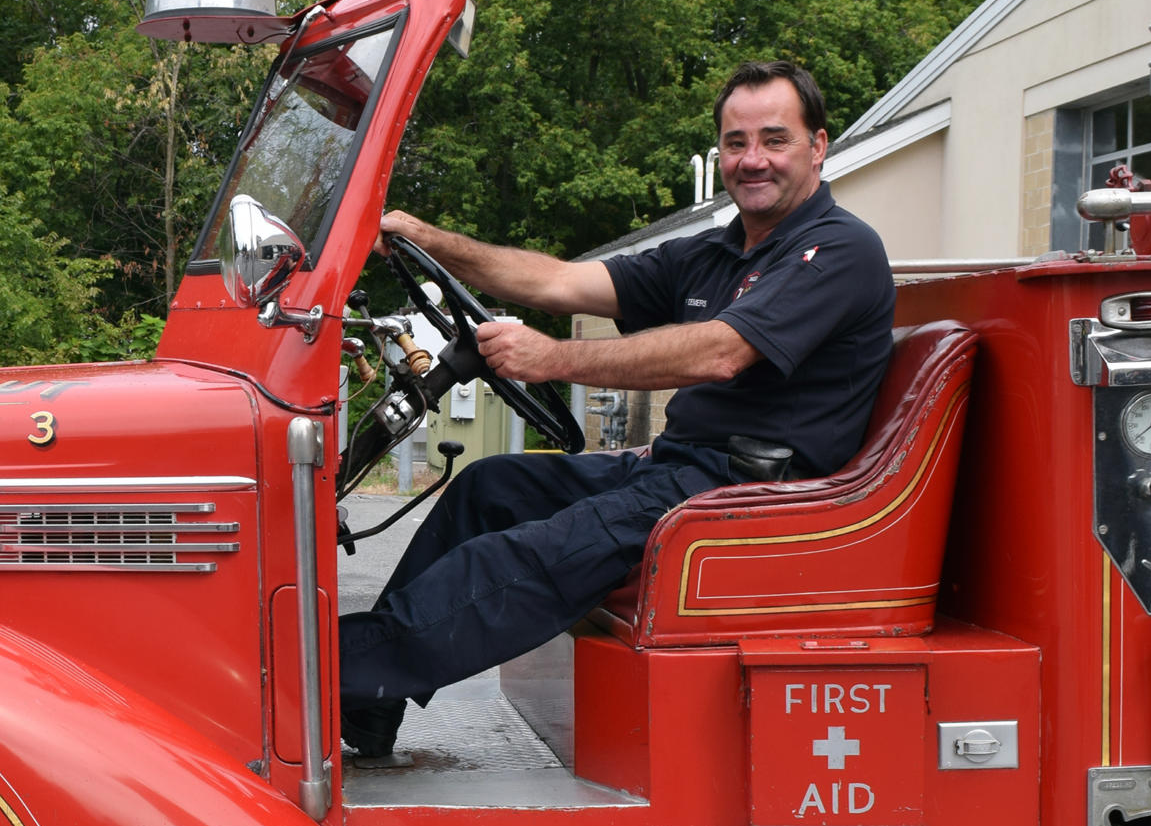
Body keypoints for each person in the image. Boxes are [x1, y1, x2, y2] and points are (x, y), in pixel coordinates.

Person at [341, 59, 896, 757]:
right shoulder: (713, 254)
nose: (752, 160)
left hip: (751, 498)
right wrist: (424, 237)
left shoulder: (840, 250)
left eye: (774, 140)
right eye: (735, 142)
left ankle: (322, 681)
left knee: (523, 557)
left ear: (818, 146)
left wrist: (552, 359)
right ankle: (370, 700)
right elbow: (560, 280)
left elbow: (720, 352)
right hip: (678, 470)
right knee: (489, 489)